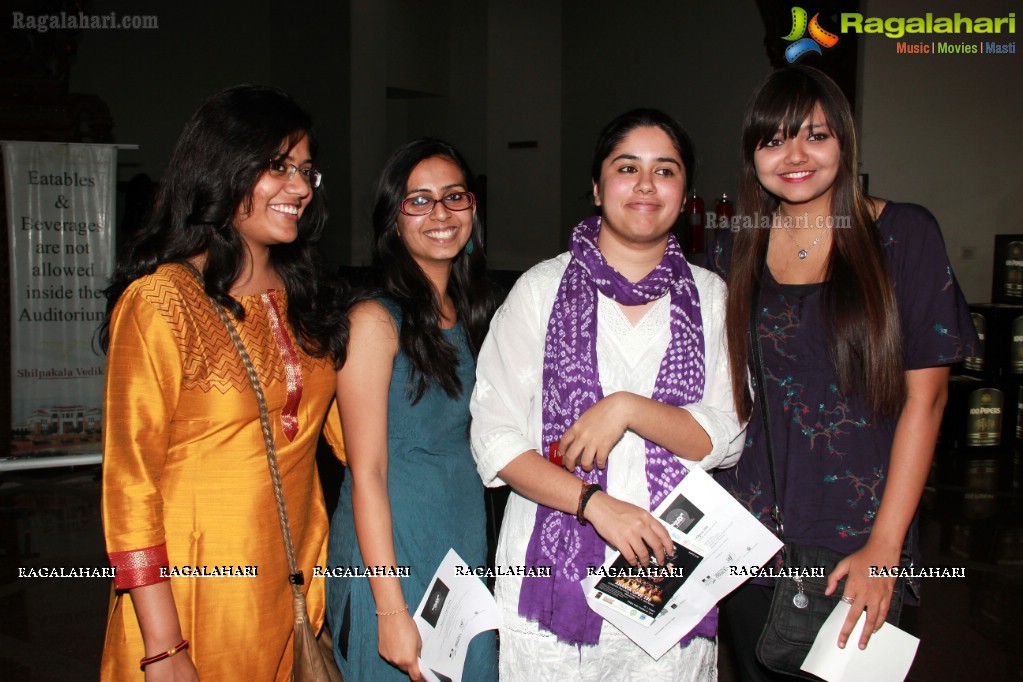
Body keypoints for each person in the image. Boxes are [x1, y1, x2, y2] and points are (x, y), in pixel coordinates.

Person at [709, 66, 978, 680]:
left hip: (861, 533)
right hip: (752, 534)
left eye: (815, 135)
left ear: (845, 142)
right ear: (753, 155)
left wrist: (885, 550)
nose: (794, 155)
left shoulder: (902, 235)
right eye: (773, 140)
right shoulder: (734, 247)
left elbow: (927, 401)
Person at [470, 109, 745, 680]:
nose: (646, 185)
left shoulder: (714, 299)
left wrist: (626, 409)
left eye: (665, 171)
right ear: (597, 188)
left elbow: (726, 435)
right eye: (627, 168)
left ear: (684, 192)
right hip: (548, 581)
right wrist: (597, 506)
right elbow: (495, 439)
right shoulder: (540, 291)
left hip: (672, 572)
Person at [99, 85, 348, 680]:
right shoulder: (162, 301)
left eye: (307, 170)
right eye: (277, 166)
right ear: (221, 168)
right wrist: (163, 647)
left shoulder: (306, 303)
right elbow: (129, 487)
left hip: (287, 593)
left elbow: (354, 441)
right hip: (191, 601)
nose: (299, 187)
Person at [324, 139, 498, 681]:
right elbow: (367, 473)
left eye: (453, 196)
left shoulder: (473, 313)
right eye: (418, 201)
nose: (440, 213)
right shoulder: (375, 321)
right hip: (394, 550)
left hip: (461, 544)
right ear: (392, 220)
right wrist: (390, 610)